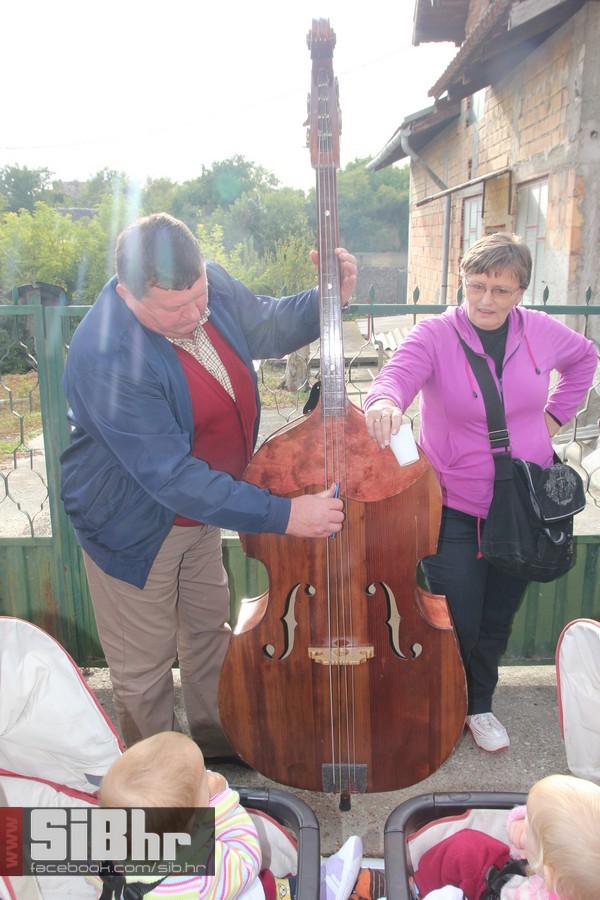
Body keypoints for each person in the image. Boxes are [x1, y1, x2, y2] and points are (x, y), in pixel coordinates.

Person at [60, 213, 356, 755]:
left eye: (201, 298)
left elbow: (265, 324)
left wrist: (326, 299)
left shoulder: (207, 284)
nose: (196, 315)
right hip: (134, 526)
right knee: (144, 668)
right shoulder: (105, 355)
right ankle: (162, 790)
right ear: (127, 294)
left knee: (207, 634)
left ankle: (220, 750)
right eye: (176, 309)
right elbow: (170, 476)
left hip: (205, 511)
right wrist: (286, 515)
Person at [363, 233, 597, 752]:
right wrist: (383, 402)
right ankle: (440, 699)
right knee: (455, 618)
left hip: (522, 507)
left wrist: (555, 416)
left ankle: (479, 705)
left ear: (520, 292)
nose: (486, 300)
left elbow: (585, 358)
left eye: (502, 289)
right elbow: (395, 378)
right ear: (463, 284)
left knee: (497, 615)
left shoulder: (539, 332)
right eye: (477, 286)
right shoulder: (435, 336)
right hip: (453, 507)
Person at [91, 731, 364, 900]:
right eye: (203, 778)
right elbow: (247, 858)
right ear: (195, 823)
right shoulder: (196, 874)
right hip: (233, 887)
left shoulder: (116, 848)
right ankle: (312, 890)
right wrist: (222, 801)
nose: (209, 777)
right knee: (260, 887)